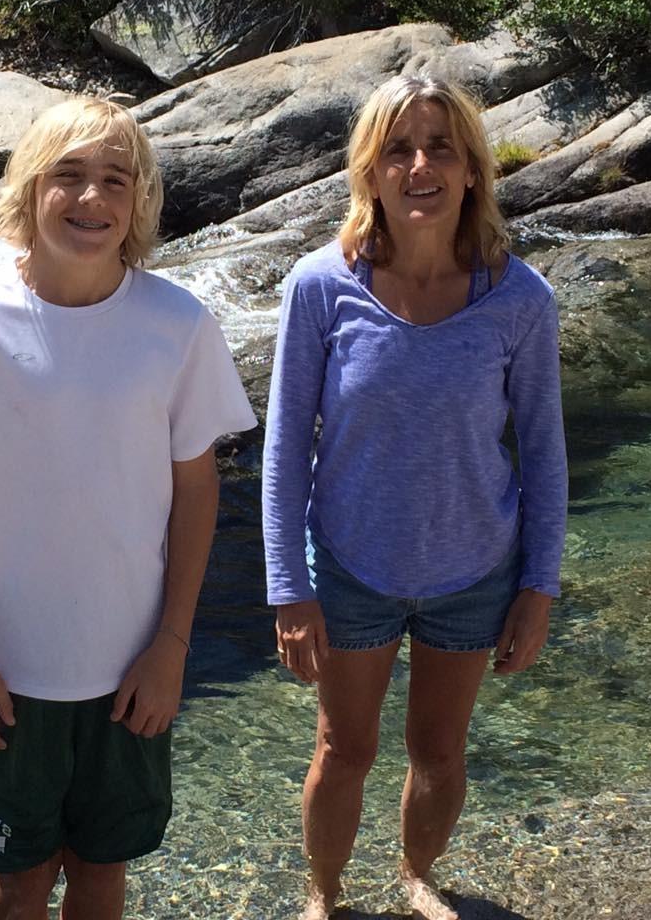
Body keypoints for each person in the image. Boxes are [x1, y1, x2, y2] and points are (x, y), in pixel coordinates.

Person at [0, 96, 257, 920]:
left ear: (139, 202)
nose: (91, 199)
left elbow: (196, 490)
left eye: (114, 180)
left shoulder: (177, 324)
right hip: (4, 670)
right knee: (19, 877)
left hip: (132, 669)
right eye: (68, 177)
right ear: (28, 190)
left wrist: (173, 644)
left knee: (102, 869)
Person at [261, 74, 567, 920]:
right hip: (354, 568)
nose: (420, 165)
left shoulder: (521, 300)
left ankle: (414, 877)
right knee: (342, 749)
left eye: (441, 148)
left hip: (475, 571)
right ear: (370, 171)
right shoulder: (321, 287)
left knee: (438, 751)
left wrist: (538, 589)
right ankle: (324, 897)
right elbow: (284, 451)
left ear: (473, 170)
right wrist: (290, 588)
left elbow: (543, 456)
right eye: (398, 149)